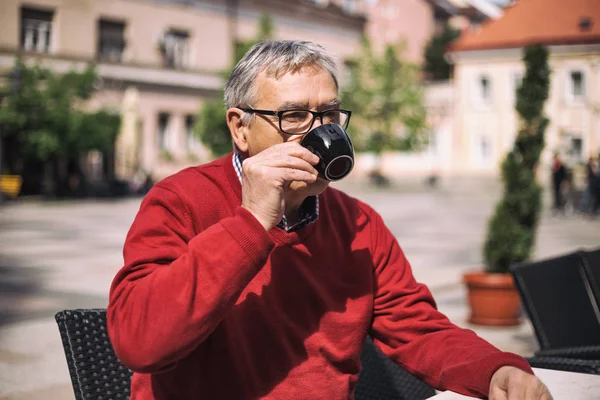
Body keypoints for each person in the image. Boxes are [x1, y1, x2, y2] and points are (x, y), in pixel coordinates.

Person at [107, 41, 551, 400]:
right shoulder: (181, 201)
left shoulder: (358, 223)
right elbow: (138, 340)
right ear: (240, 128)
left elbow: (415, 326)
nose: (323, 133)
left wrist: (492, 371)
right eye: (294, 116)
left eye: (330, 114)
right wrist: (253, 220)